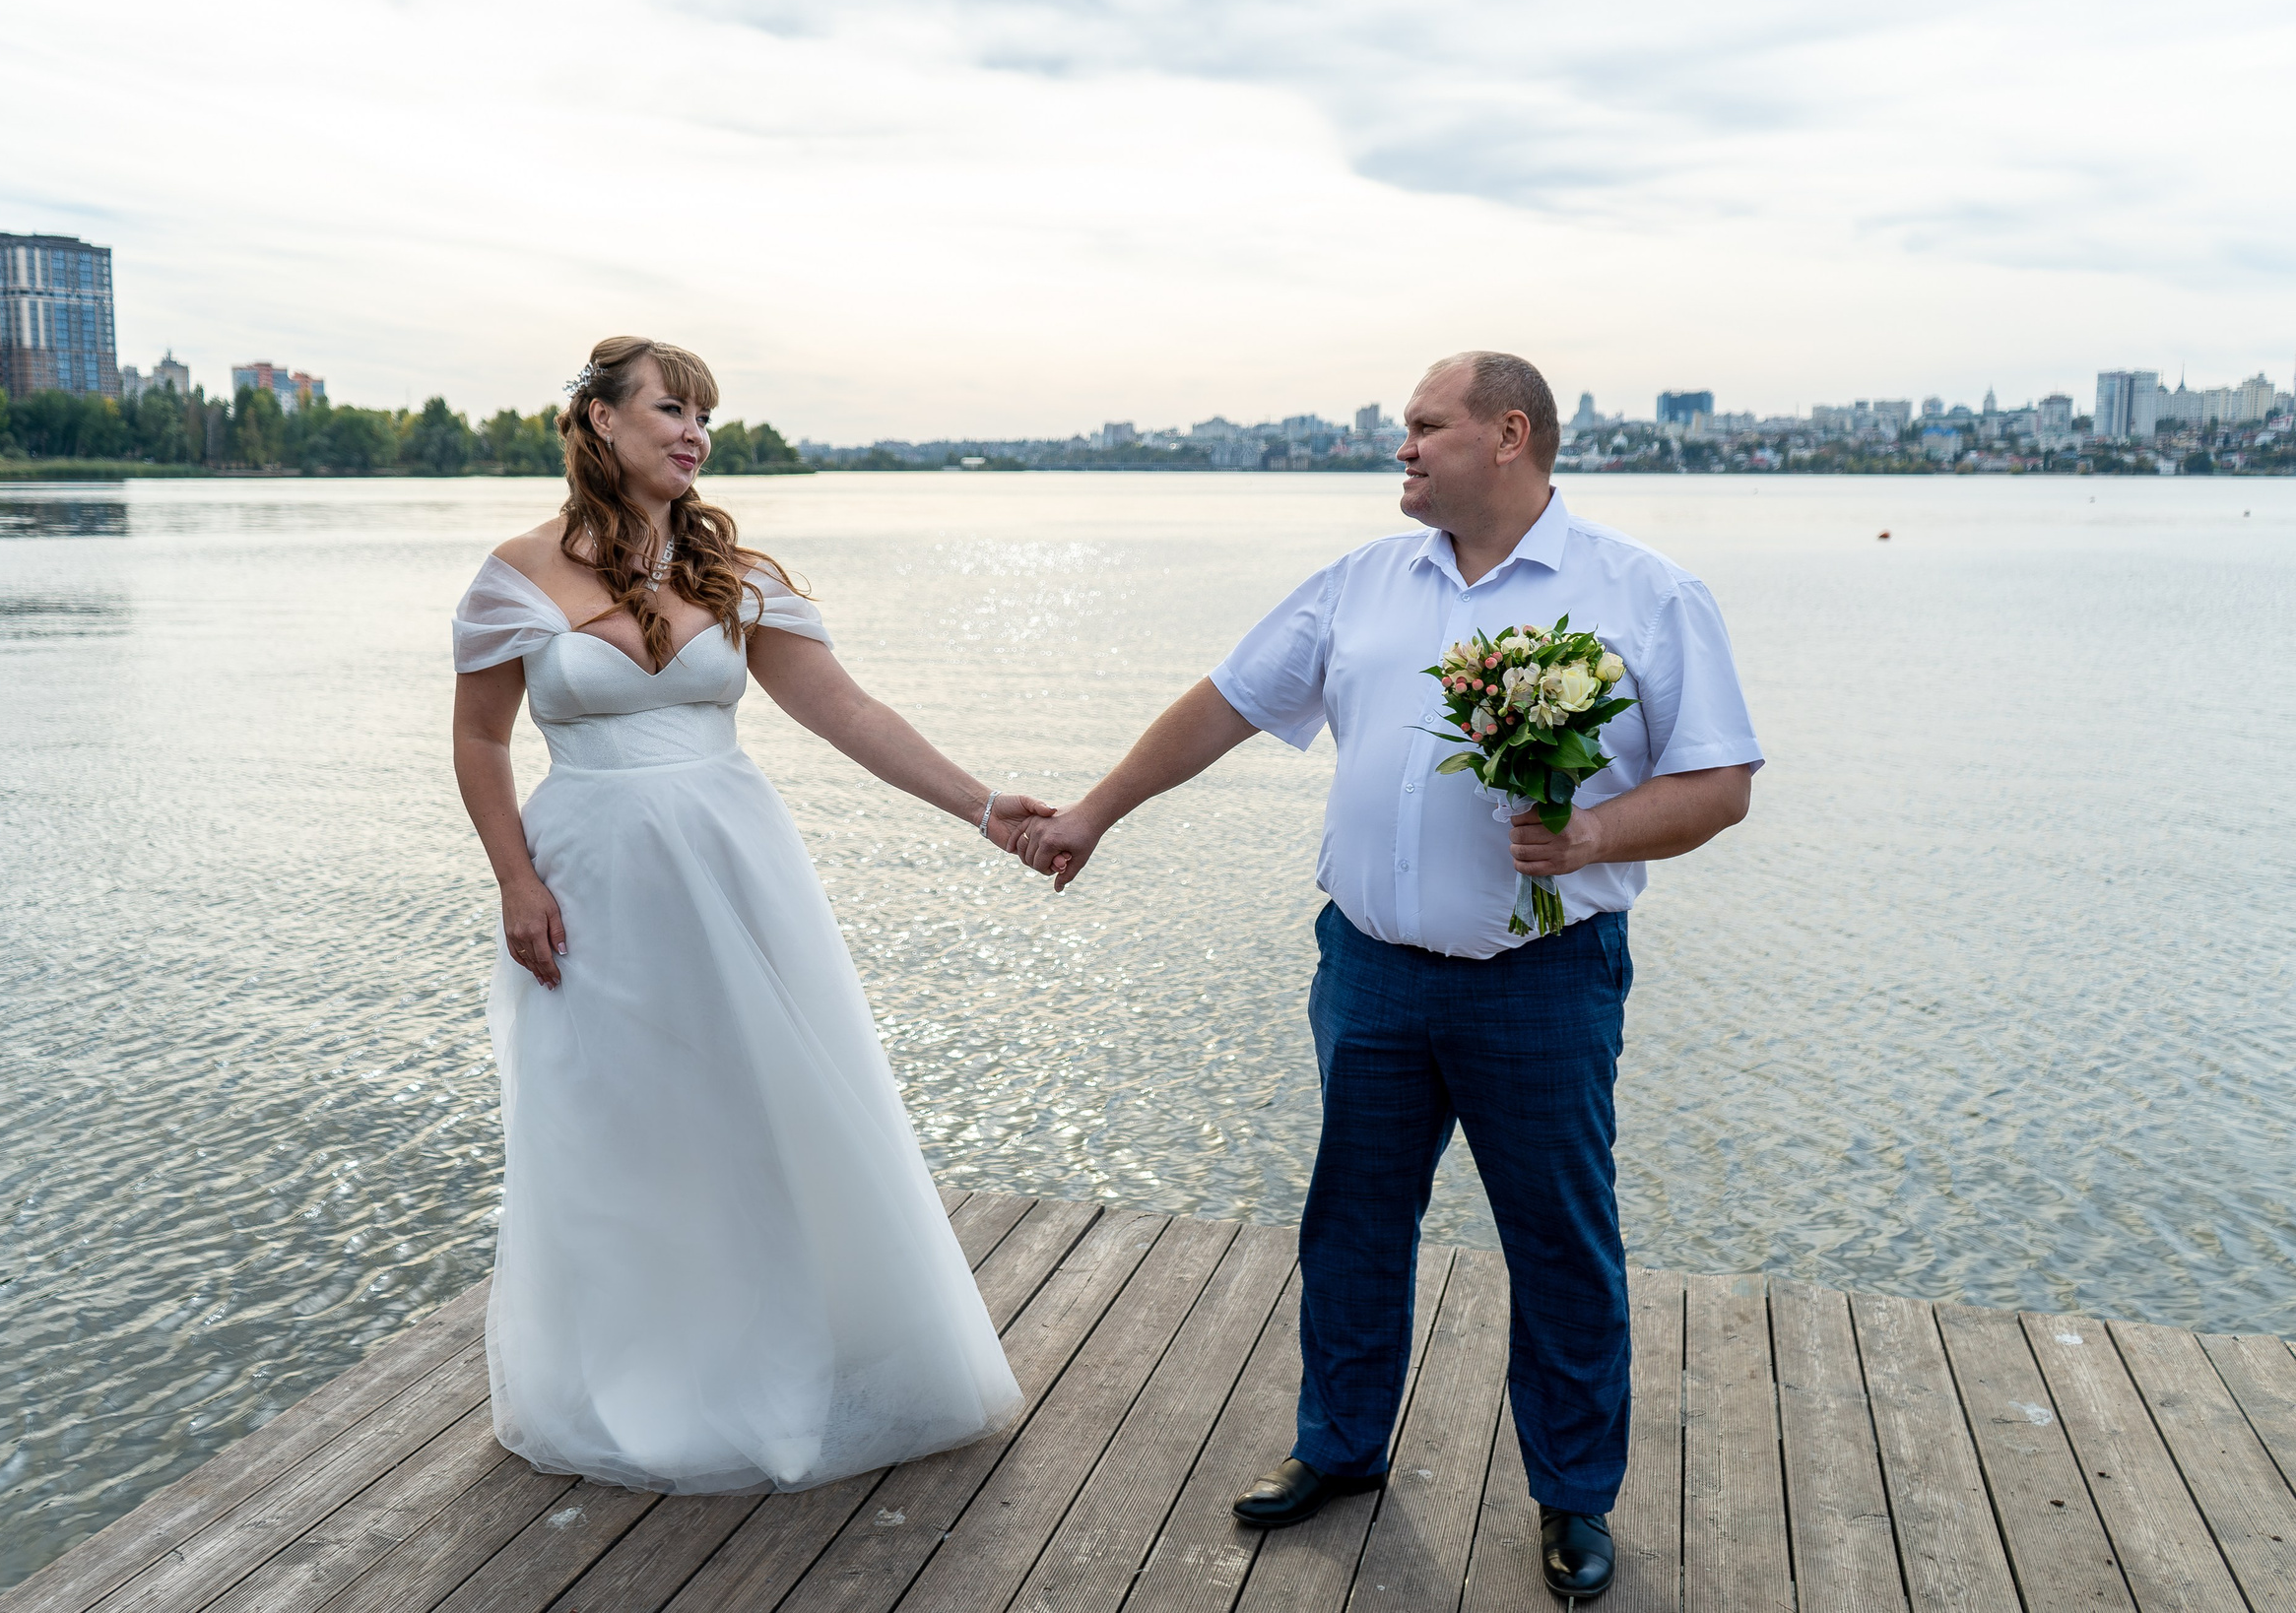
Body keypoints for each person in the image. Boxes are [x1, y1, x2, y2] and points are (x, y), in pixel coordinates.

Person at [1016, 352, 1759, 1601]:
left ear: (1507, 435)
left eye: (1423, 426)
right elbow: (1225, 704)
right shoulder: (1361, 582)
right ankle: (1340, 1446)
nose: (1400, 447)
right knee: (1353, 1220)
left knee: (1560, 1243)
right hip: (1366, 972)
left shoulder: (1644, 594)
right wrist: (1094, 812)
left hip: (1542, 979)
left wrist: (1590, 833)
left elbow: (1720, 784)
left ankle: (1572, 1495)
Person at [450, 335, 1041, 1493]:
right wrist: (515, 880)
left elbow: (849, 714)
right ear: (601, 420)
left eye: (703, 417)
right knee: (614, 1118)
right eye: (671, 410)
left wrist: (982, 806)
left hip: (734, 869)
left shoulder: (735, 573)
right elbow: (479, 738)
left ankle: (775, 1361)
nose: (694, 435)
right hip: (588, 880)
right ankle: (639, 1375)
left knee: (751, 1108)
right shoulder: (516, 574)